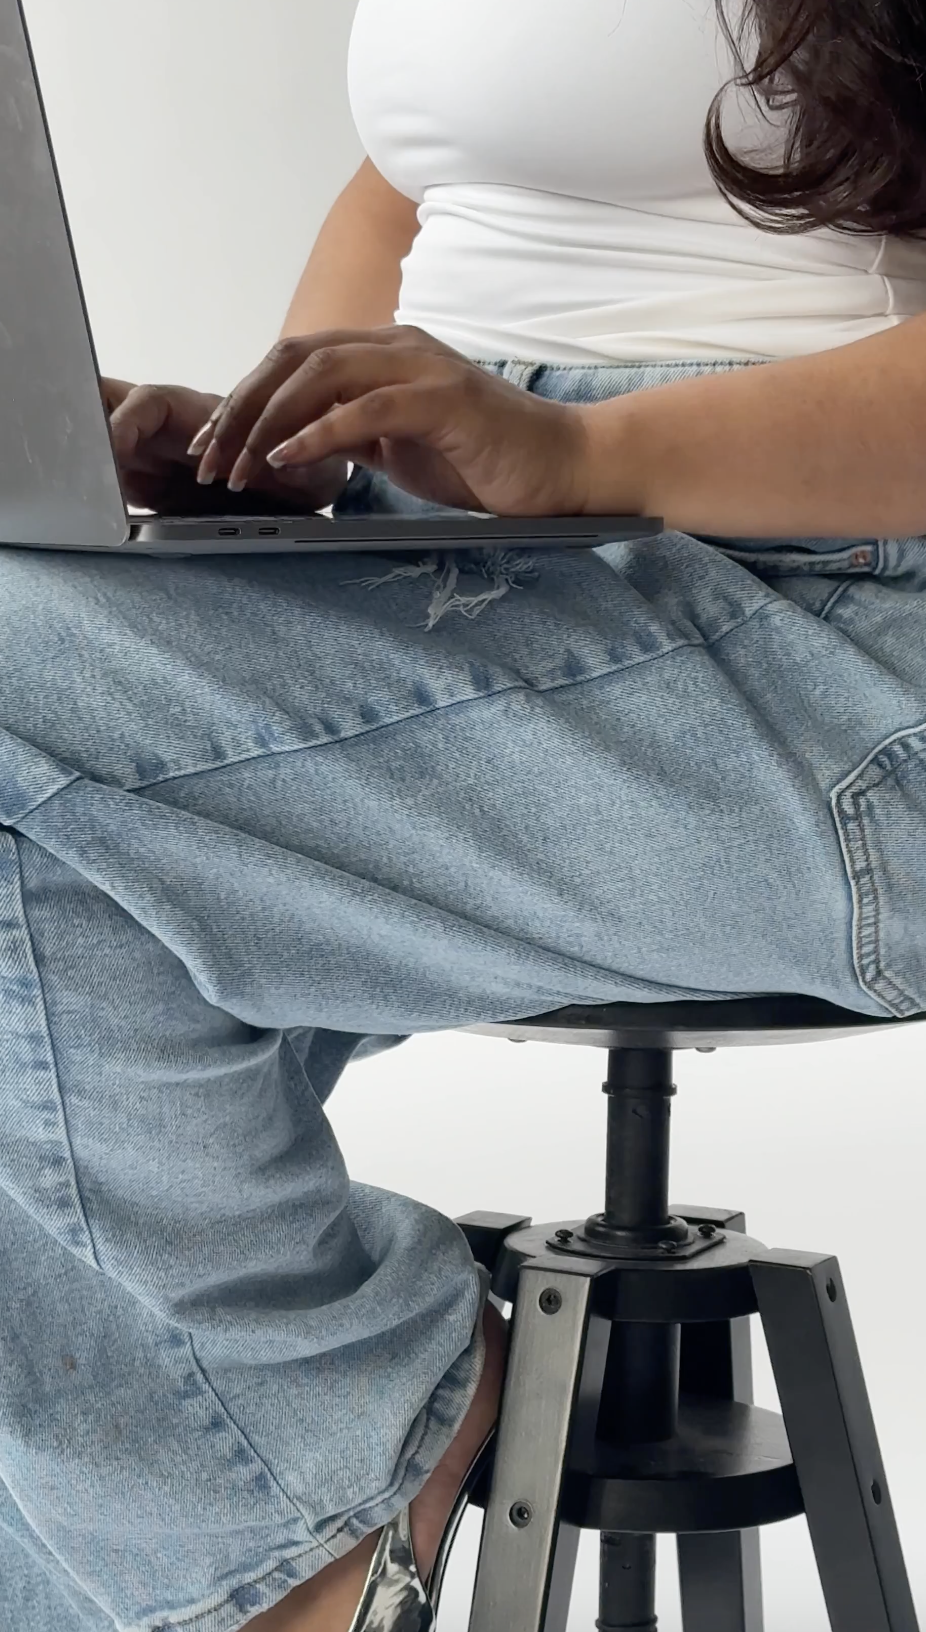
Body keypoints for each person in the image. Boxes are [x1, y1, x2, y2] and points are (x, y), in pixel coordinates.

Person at [3, 0, 926, 1627]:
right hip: (469, 549)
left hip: (839, 633)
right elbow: (417, 178)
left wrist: (576, 444)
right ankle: (263, 1514)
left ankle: (333, 1518)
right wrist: (282, 438)